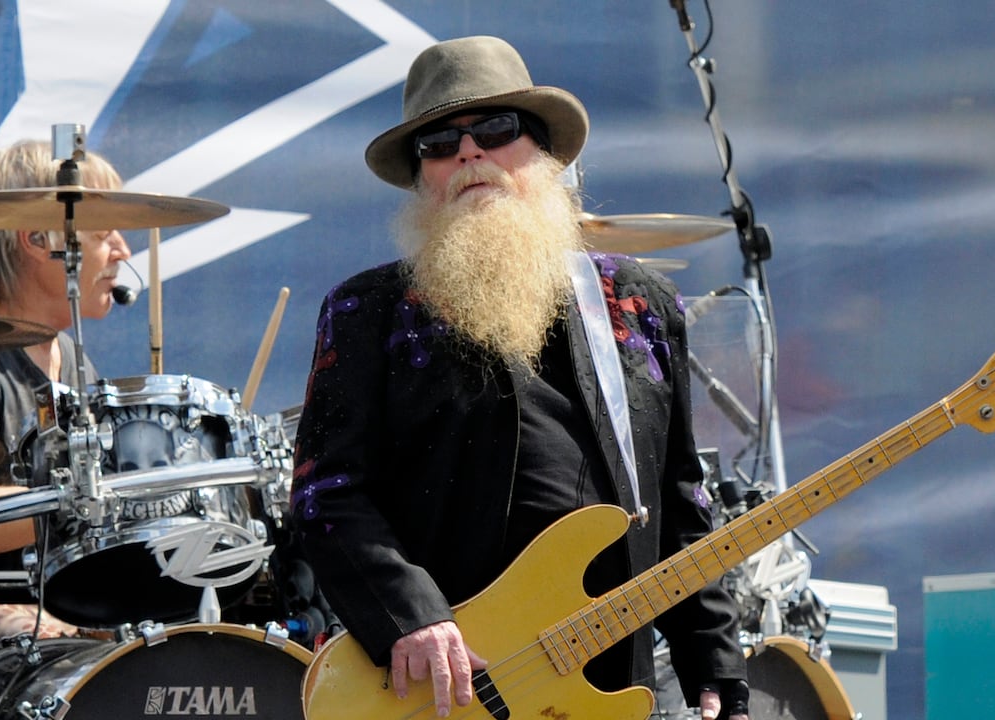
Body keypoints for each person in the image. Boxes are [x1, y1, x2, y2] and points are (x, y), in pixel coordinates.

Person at [291, 35, 750, 720]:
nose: (468, 153)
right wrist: (412, 618)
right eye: (439, 143)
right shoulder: (369, 312)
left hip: (607, 682)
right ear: (423, 179)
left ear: (543, 153)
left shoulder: (637, 304)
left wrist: (713, 663)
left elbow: (679, 501)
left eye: (495, 131)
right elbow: (326, 495)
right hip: (450, 686)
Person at [0, 140, 133, 639]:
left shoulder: (76, 364)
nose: (123, 250)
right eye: (103, 233)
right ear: (37, 238)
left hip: (62, 617)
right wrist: (79, 502)